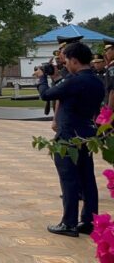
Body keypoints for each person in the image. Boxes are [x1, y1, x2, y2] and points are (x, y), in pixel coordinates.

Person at [35, 41, 105, 237]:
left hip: (68, 137)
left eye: (66, 60)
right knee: (87, 180)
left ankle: (69, 223)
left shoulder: (75, 81)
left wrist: (41, 79)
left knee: (69, 180)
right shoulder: (96, 81)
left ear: (74, 60)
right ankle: (89, 221)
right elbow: (67, 93)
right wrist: (57, 78)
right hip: (86, 135)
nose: (64, 64)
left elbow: (46, 95)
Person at [104, 38, 114, 109]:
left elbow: (112, 91)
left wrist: (109, 111)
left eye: (107, 50)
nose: (106, 53)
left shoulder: (112, 67)